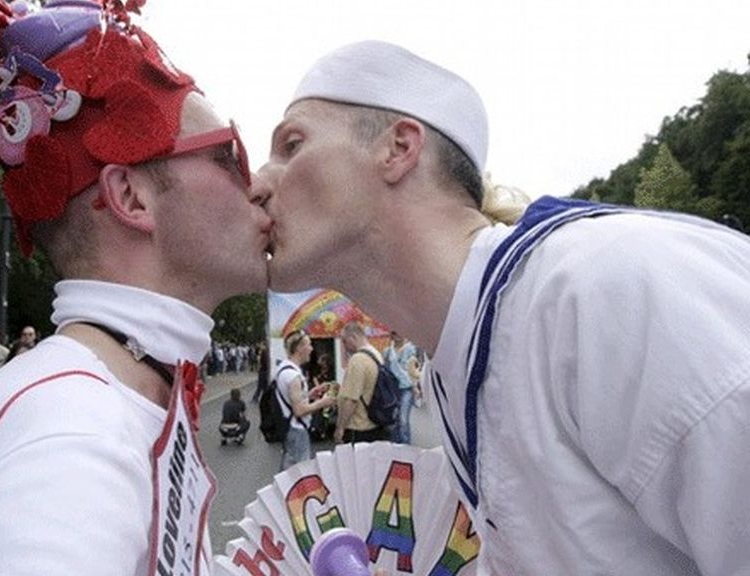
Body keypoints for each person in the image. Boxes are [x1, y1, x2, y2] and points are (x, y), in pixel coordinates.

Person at [254, 40, 750, 575]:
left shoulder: (608, 285)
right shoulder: (458, 365)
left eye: (292, 144)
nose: (259, 183)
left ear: (398, 148)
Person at [0, 2, 280, 574]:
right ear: (132, 198)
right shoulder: (72, 430)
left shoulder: (102, 400)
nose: (258, 184)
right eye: (226, 155)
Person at [275, 331, 335, 470]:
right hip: (297, 432)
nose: (312, 349)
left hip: (289, 429)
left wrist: (309, 395)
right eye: (309, 344)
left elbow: (291, 400)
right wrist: (323, 402)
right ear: (299, 348)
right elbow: (299, 410)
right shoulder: (294, 376)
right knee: (300, 477)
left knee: (288, 475)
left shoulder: (283, 369)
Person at [331, 321, 387, 445]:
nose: (344, 346)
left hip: (358, 427)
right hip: (374, 422)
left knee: (355, 463)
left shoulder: (358, 360)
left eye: (344, 341)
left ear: (353, 338)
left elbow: (351, 400)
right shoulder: (376, 354)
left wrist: (340, 428)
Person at [383, 331, 417, 444]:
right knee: (394, 418)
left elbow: (415, 370)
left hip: (407, 387)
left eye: (399, 332)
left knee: (403, 419)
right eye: (395, 332)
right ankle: (396, 446)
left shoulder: (411, 349)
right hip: (393, 388)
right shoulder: (387, 351)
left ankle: (406, 446)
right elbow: (385, 371)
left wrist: (416, 388)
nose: (398, 335)